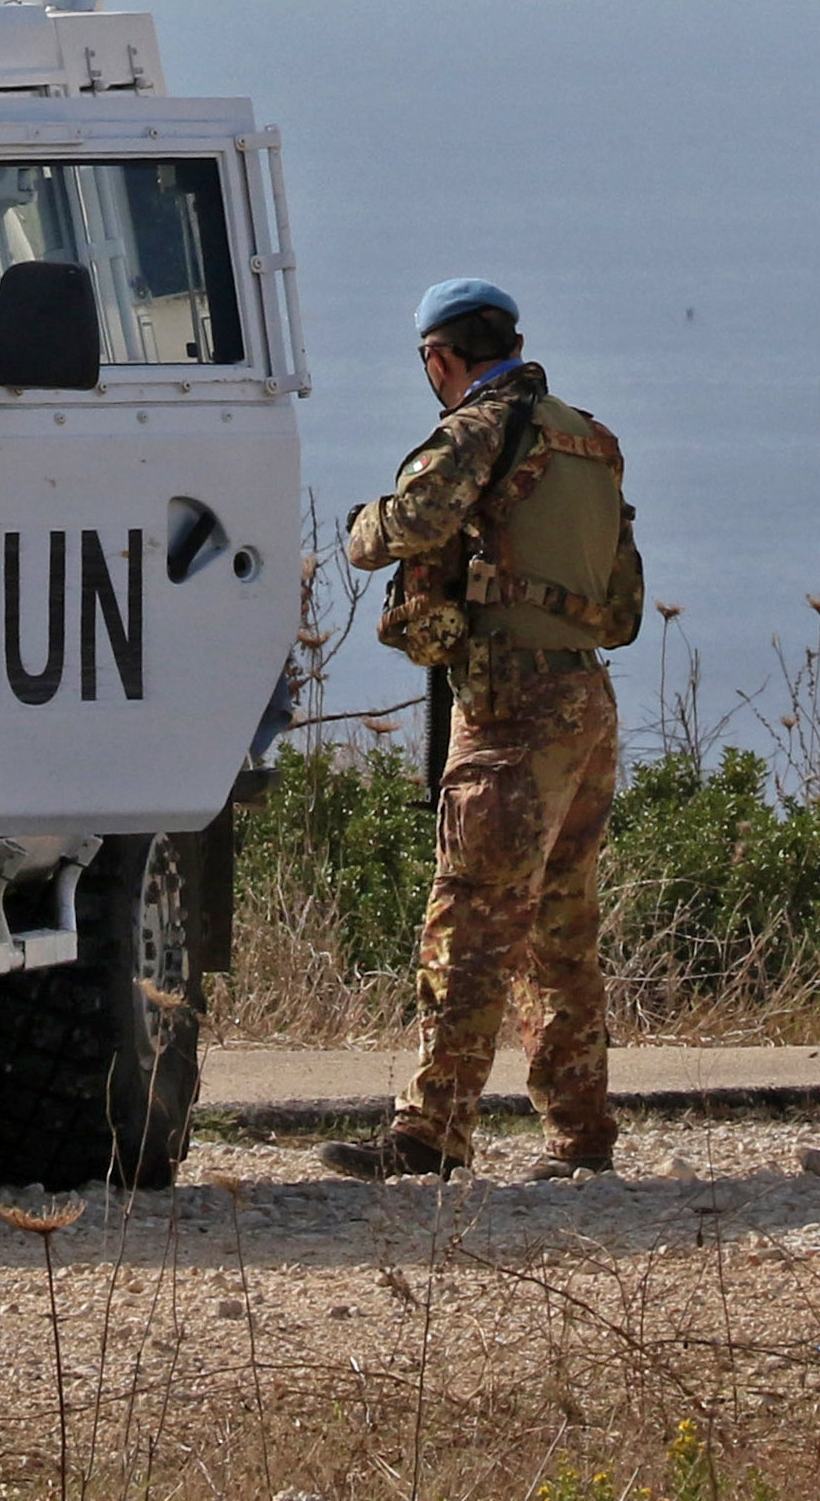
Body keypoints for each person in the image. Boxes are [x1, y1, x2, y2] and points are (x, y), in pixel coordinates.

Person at [321, 279, 643, 1183]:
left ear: (441, 357)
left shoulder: (475, 429)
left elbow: (413, 521)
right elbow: (621, 612)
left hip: (508, 712)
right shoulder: (589, 438)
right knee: (560, 929)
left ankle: (431, 1134)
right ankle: (581, 1137)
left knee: (468, 922)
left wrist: (362, 530)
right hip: (586, 700)